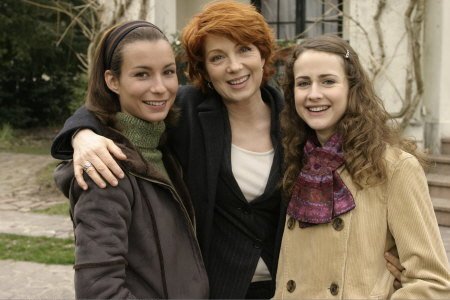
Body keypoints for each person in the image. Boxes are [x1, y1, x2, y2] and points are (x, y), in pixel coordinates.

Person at [50, 1, 404, 298]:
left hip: (289, 287)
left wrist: (383, 253)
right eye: (217, 57)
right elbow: (118, 111)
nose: (234, 67)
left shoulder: (299, 119)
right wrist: (82, 134)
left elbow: (357, 170)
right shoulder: (185, 112)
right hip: (215, 289)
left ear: (263, 55)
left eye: (244, 50)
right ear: (203, 68)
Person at [274, 34, 450, 299]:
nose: (313, 94)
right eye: (303, 83)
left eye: (328, 81)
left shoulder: (394, 167)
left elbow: (433, 283)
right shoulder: (297, 163)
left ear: (352, 88)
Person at [53, 20, 208, 299]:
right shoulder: (105, 168)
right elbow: (98, 289)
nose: (160, 87)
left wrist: (79, 132)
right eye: (142, 75)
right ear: (112, 80)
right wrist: (81, 134)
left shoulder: (165, 146)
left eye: (168, 72)